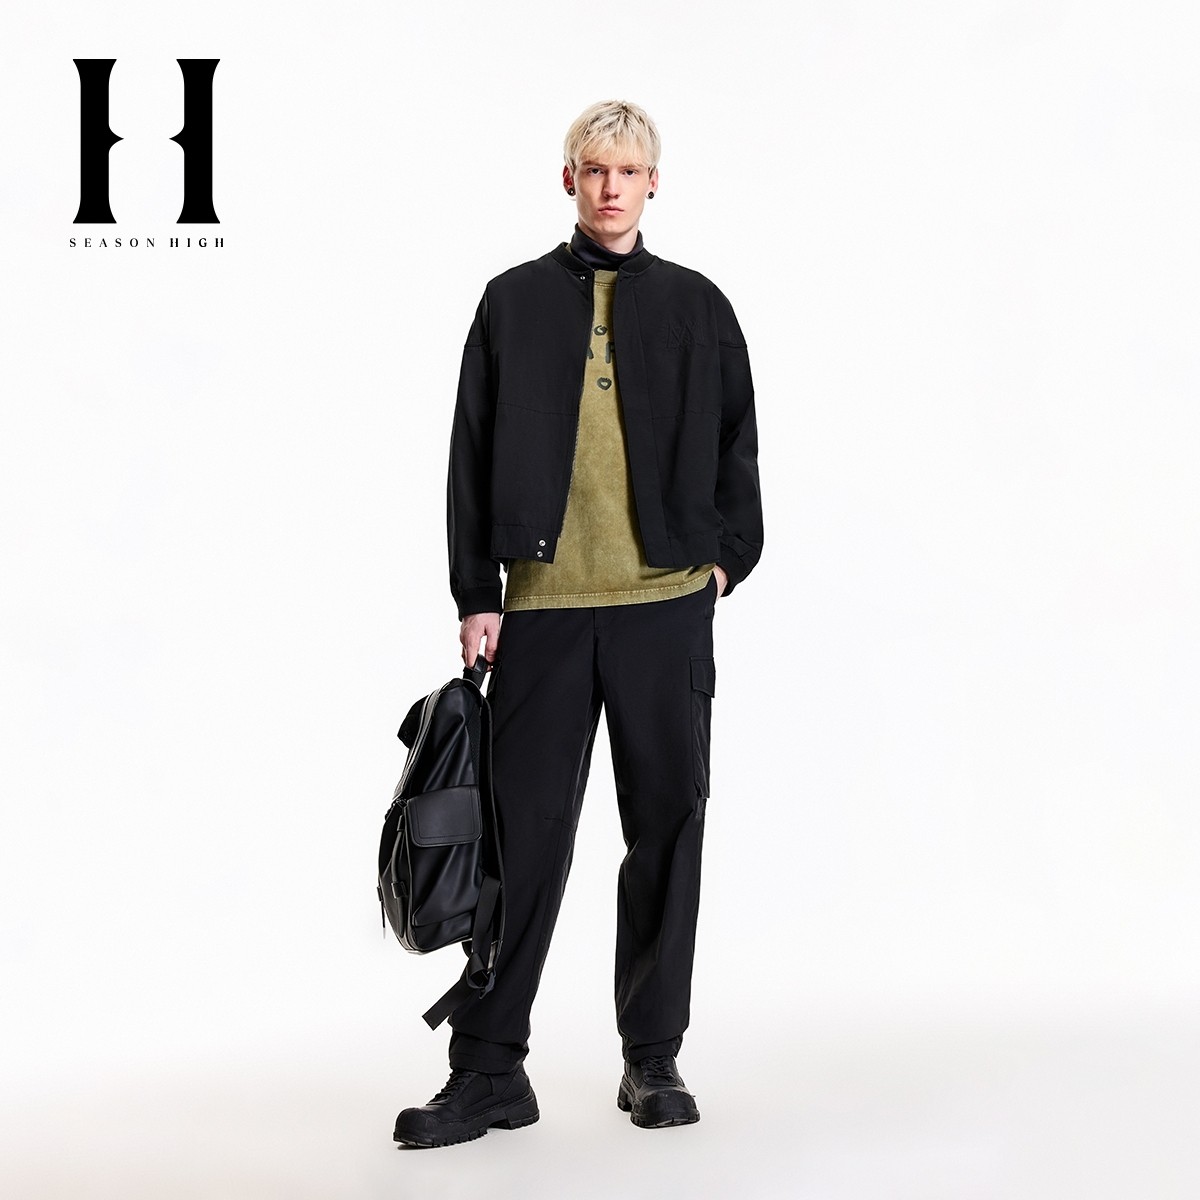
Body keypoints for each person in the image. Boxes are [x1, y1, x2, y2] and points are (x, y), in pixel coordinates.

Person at [393, 99, 763, 1148]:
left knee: (667, 830)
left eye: (629, 171)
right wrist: (477, 592)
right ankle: (488, 1070)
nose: (611, 188)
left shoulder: (698, 306)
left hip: (663, 609)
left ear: (654, 184)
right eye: (595, 170)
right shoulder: (511, 302)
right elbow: (470, 452)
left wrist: (723, 564)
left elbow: (738, 443)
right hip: (544, 612)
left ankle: (652, 1059)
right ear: (570, 180)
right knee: (521, 844)